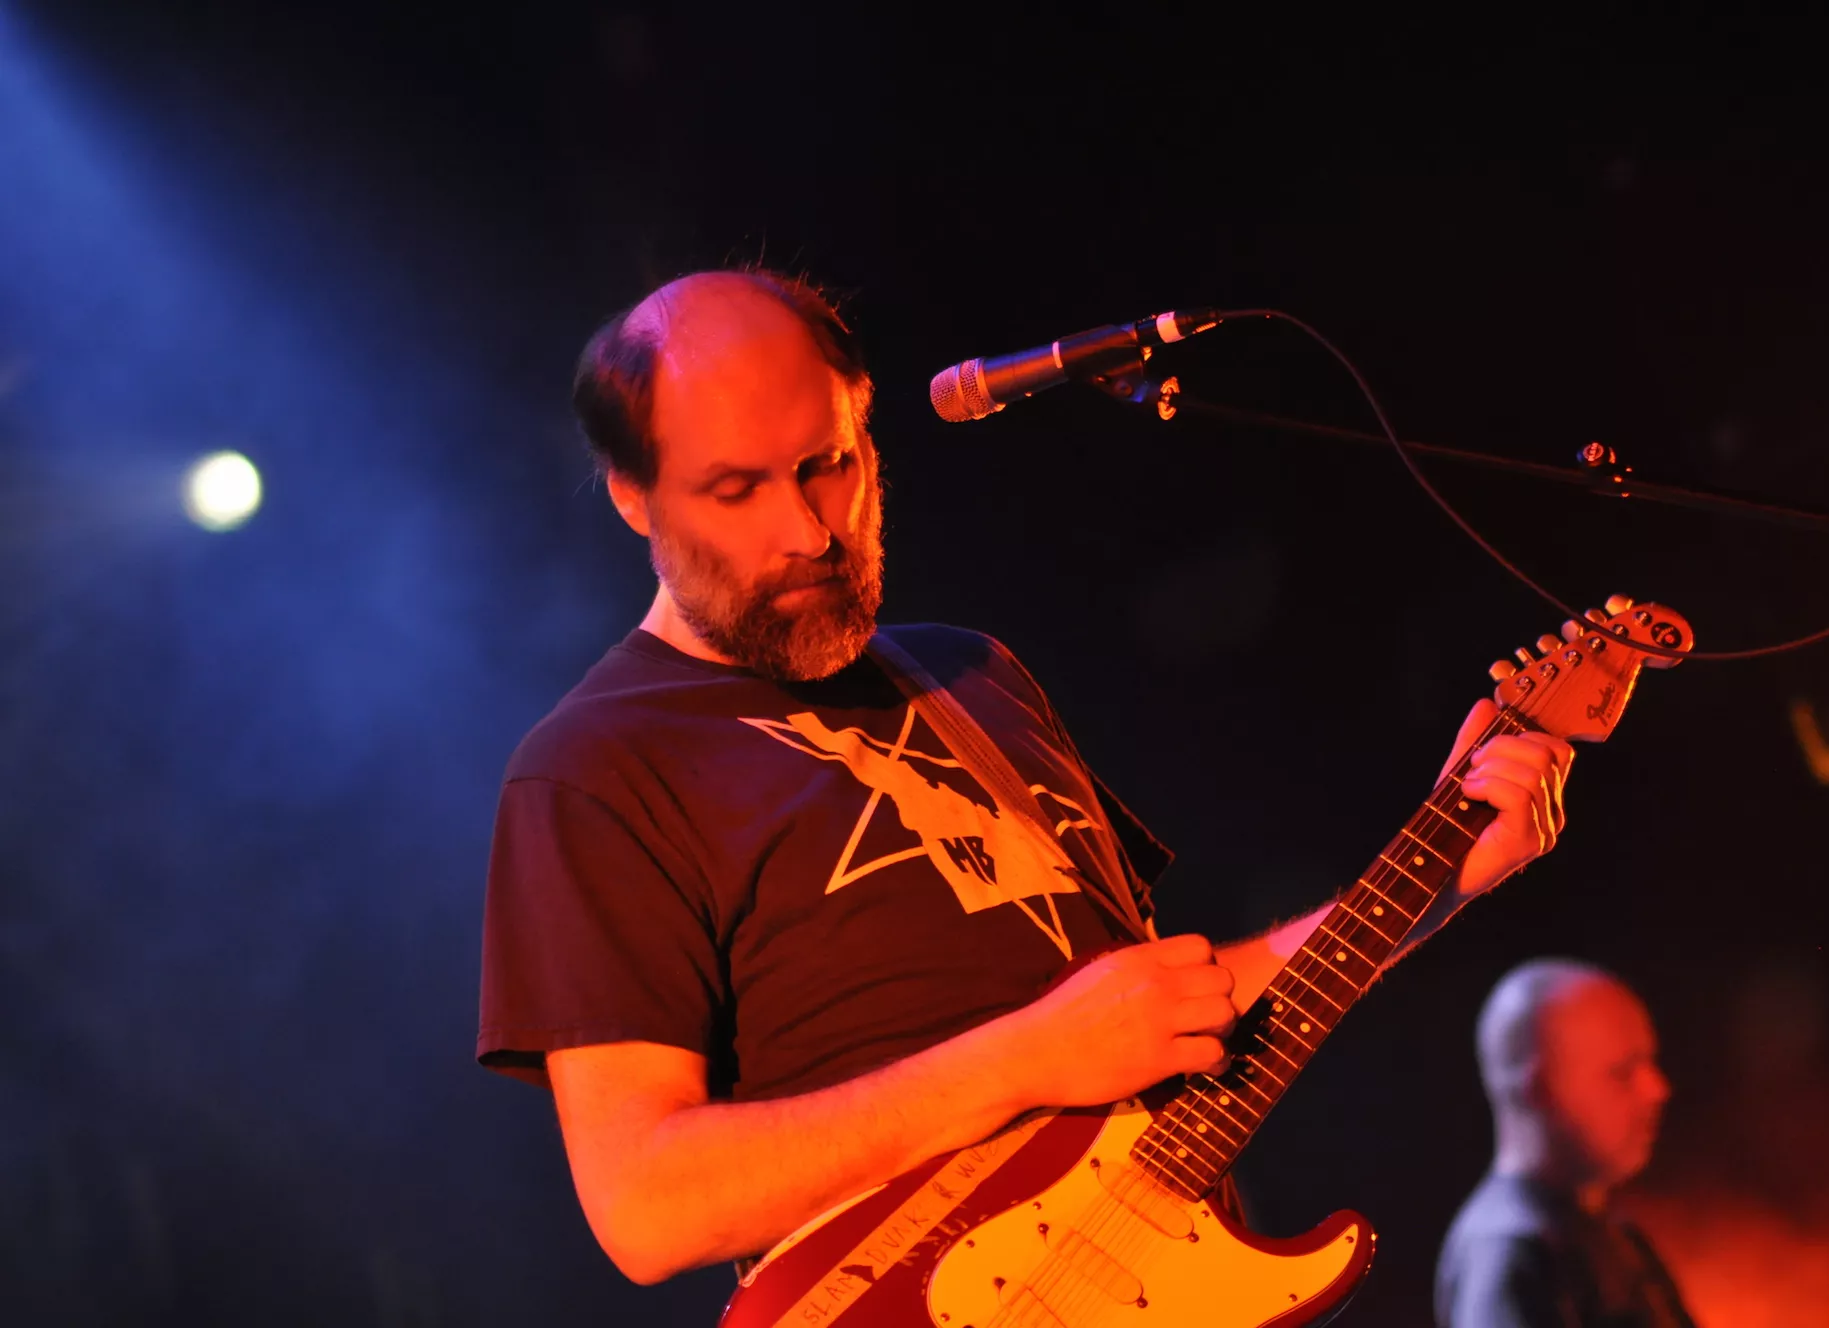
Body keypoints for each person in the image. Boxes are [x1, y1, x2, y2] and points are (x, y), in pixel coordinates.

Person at [476, 267, 1576, 1285]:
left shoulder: (973, 676)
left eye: (829, 465)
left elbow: (1160, 1015)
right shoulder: (594, 768)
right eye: (735, 490)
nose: (807, 531)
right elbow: (649, 1207)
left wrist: (1433, 881)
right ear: (633, 496)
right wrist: (1028, 1058)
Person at [1435, 959, 1698, 1328]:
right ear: (1540, 1089)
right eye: (1623, 1072)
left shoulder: (1609, 1233)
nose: (1657, 1089)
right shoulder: (1508, 1254)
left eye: (1650, 1063)